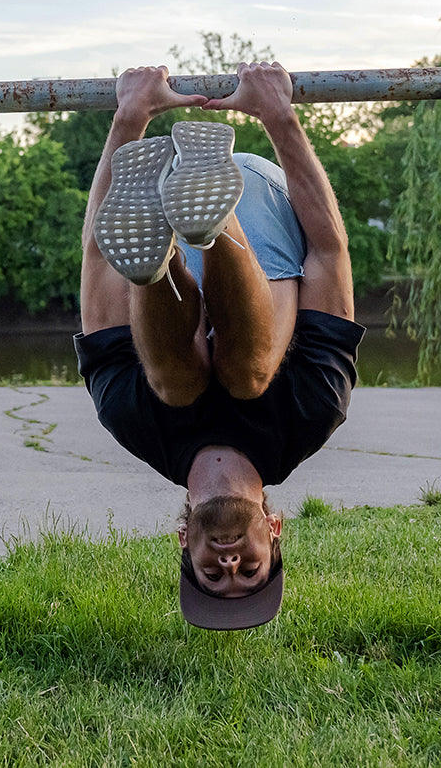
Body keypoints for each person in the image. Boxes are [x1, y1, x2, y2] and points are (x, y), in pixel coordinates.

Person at [75, 61, 364, 630]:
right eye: (249, 571)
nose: (230, 564)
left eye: (213, 574)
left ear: (184, 541)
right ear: (274, 531)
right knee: (249, 377)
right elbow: (329, 253)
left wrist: (130, 116)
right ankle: (214, 221)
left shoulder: (134, 423)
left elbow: (99, 263)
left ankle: (163, 258)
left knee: (173, 384)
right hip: (263, 208)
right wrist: (278, 115)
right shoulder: (310, 415)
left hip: (157, 200)